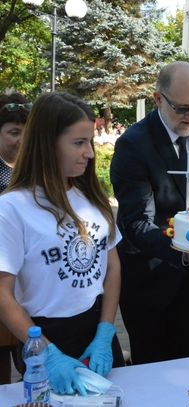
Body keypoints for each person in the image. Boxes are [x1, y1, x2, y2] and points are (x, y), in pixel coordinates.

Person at [110, 61, 189, 364]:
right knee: (152, 364)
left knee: (183, 360)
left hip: (188, 276)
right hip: (147, 276)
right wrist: (181, 252)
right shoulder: (134, 145)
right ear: (158, 100)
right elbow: (134, 222)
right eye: (182, 109)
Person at [0, 92, 124, 395]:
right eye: (79, 143)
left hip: (97, 330)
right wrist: (47, 354)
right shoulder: (12, 208)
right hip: (44, 336)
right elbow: (3, 293)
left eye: (90, 142)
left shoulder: (92, 197)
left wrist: (106, 332)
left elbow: (113, 266)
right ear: (48, 143)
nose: (90, 153)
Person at [0, 92, 31, 384]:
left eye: (26, 133)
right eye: (13, 132)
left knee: (31, 368)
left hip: (30, 288)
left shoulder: (35, 172)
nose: (20, 140)